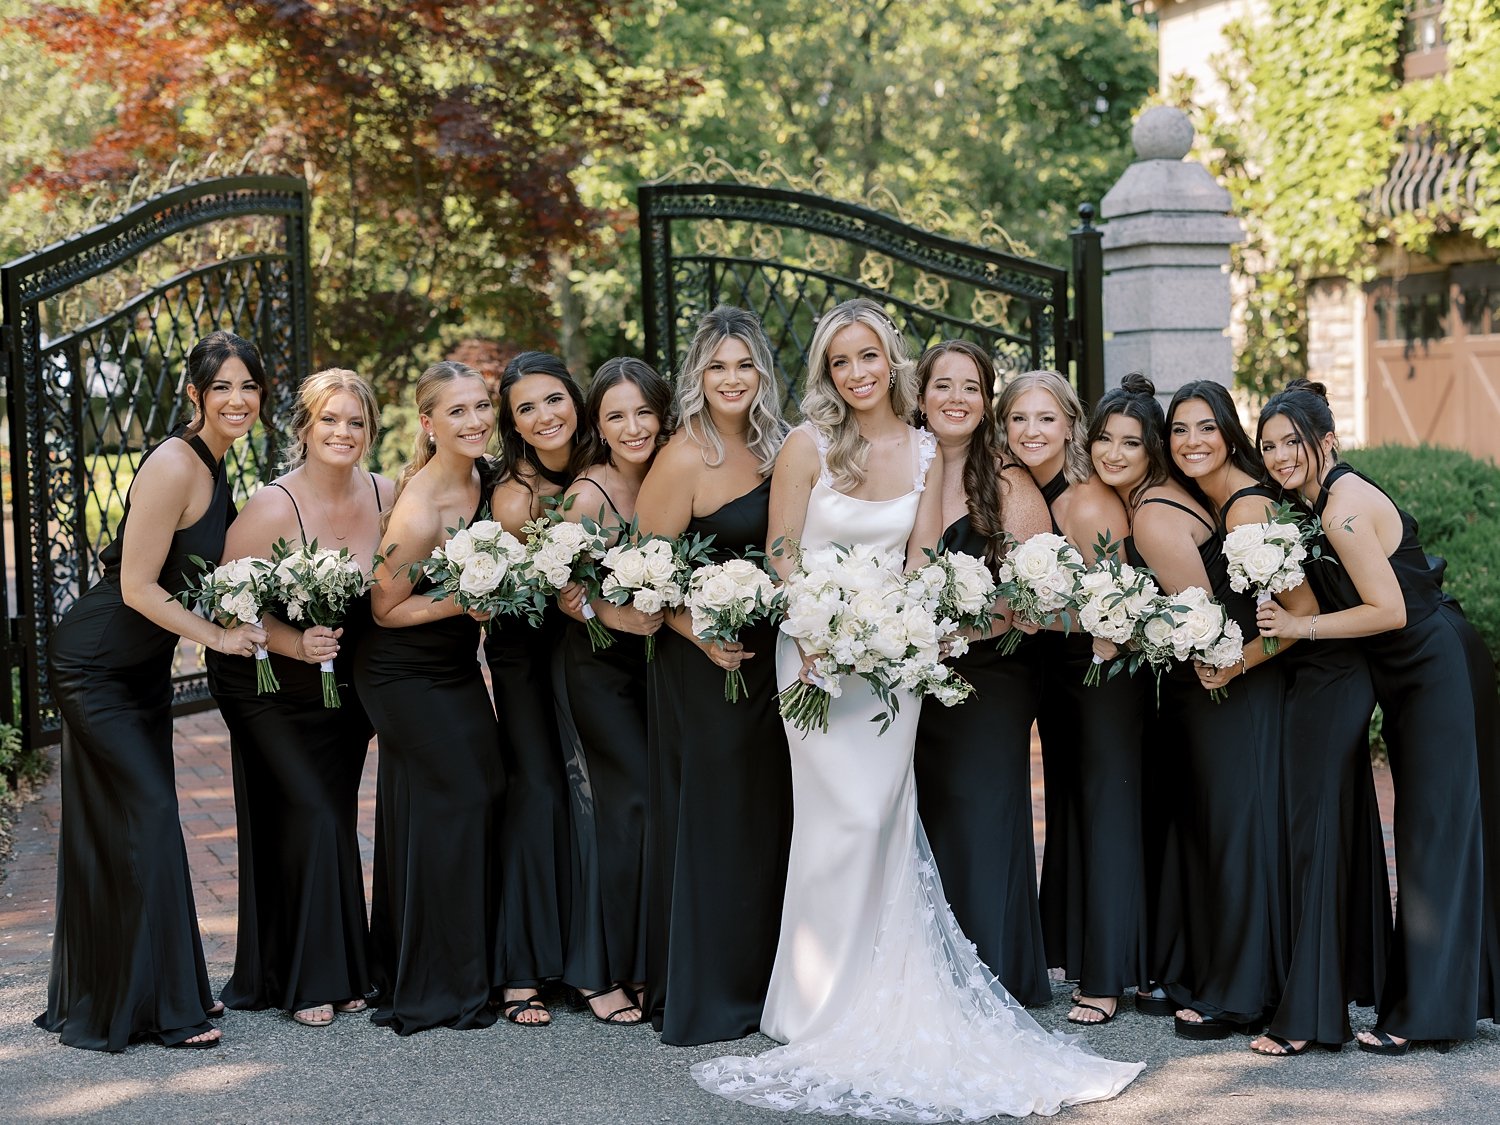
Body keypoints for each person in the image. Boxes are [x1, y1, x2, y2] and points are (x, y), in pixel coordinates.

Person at [694, 299, 1142, 1120]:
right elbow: (783, 552)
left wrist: (908, 624)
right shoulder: (806, 445)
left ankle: (873, 988)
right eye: (841, 362)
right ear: (827, 372)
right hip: (817, 654)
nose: (858, 373)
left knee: (880, 818)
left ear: (890, 358)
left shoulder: (930, 447)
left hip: (892, 658)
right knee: (831, 819)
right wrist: (815, 626)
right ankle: (807, 1000)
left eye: (869, 356)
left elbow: (922, 556)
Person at [38, 330, 270, 1051]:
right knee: (150, 813)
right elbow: (136, 587)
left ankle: (148, 992)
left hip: (139, 673)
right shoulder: (174, 464)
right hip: (95, 664)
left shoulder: (219, 461)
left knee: (127, 822)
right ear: (195, 395)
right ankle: (166, 1007)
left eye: (249, 386)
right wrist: (219, 635)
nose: (237, 399)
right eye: (222, 386)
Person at [1255, 379, 1488, 1055]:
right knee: (1427, 828)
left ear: (1326, 440)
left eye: (1291, 442)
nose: (1278, 455)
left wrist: (1301, 627)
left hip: (1433, 666)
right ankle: (1450, 995)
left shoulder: (1343, 509)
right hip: (1407, 671)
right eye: (1268, 445)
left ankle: (1427, 1015)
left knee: (1434, 832)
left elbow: (1387, 611)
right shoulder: (1313, 504)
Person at [210, 368, 393, 1029]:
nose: (343, 432)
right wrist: (294, 643)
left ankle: (340, 966)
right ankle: (306, 976)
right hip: (266, 687)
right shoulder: (271, 507)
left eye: (356, 421)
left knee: (330, 818)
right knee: (312, 812)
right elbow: (225, 608)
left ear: (371, 430)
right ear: (305, 429)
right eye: (330, 420)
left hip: (343, 692)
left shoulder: (387, 495)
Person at [636, 306, 793, 1045]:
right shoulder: (682, 457)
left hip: (774, 661)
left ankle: (770, 981)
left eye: (745, 364)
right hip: (702, 666)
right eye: (717, 365)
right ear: (698, 375)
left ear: (763, 371)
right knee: (716, 817)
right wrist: (695, 632)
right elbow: (644, 575)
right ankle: (709, 987)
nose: (732, 378)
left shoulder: (782, 447)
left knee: (769, 816)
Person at [353, 360, 504, 1035]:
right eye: (458, 411)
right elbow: (385, 608)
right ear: (428, 423)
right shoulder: (419, 505)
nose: (474, 421)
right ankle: (441, 982)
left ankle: (427, 958)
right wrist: (463, 599)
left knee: (478, 789)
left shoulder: (486, 478)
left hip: (451, 664)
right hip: (397, 670)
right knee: (465, 793)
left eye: (481, 406)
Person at [997, 369, 1147, 1026]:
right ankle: (1081, 950)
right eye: (1018, 419)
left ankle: (1110, 977)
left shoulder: (1086, 502)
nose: (1032, 431)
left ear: (1070, 425)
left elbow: (1124, 609)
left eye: (1045, 418)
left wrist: (1043, 618)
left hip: (1105, 675)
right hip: (1059, 673)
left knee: (1106, 809)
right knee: (1072, 806)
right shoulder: (1025, 489)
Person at [910, 340, 1053, 1008]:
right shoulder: (904, 469)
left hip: (990, 676)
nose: (956, 398)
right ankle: (930, 969)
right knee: (925, 815)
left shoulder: (1009, 481)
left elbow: (1031, 598)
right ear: (921, 394)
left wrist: (955, 632)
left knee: (979, 811)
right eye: (944, 384)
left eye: (971, 387)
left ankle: (994, 970)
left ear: (985, 399)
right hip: (913, 677)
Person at [1156, 379, 1291, 1040]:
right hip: (1216, 690)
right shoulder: (1205, 502)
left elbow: (1299, 618)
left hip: (1248, 691)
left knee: (1240, 836)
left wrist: (1234, 664)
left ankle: (1243, 993)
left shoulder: (1247, 509)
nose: (1192, 441)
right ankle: (1216, 971)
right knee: (1218, 832)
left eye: (1205, 427)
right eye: (1179, 430)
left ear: (1229, 432)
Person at [557, 356, 672, 1025]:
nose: (632, 427)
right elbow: (564, 589)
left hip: (658, 665)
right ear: (599, 425)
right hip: (600, 667)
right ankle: (603, 971)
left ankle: (649, 958)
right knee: (622, 806)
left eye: (642, 411)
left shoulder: (672, 471)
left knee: (654, 803)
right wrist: (617, 615)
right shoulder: (590, 493)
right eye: (615, 415)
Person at [484, 351, 588, 1027]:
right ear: (513, 424)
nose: (544, 416)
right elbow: (553, 589)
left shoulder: (605, 458)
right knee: (540, 790)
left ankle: (584, 955)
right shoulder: (514, 493)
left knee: (588, 793)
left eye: (553, 399)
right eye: (526, 408)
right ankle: (521, 967)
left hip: (585, 648)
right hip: (527, 647)